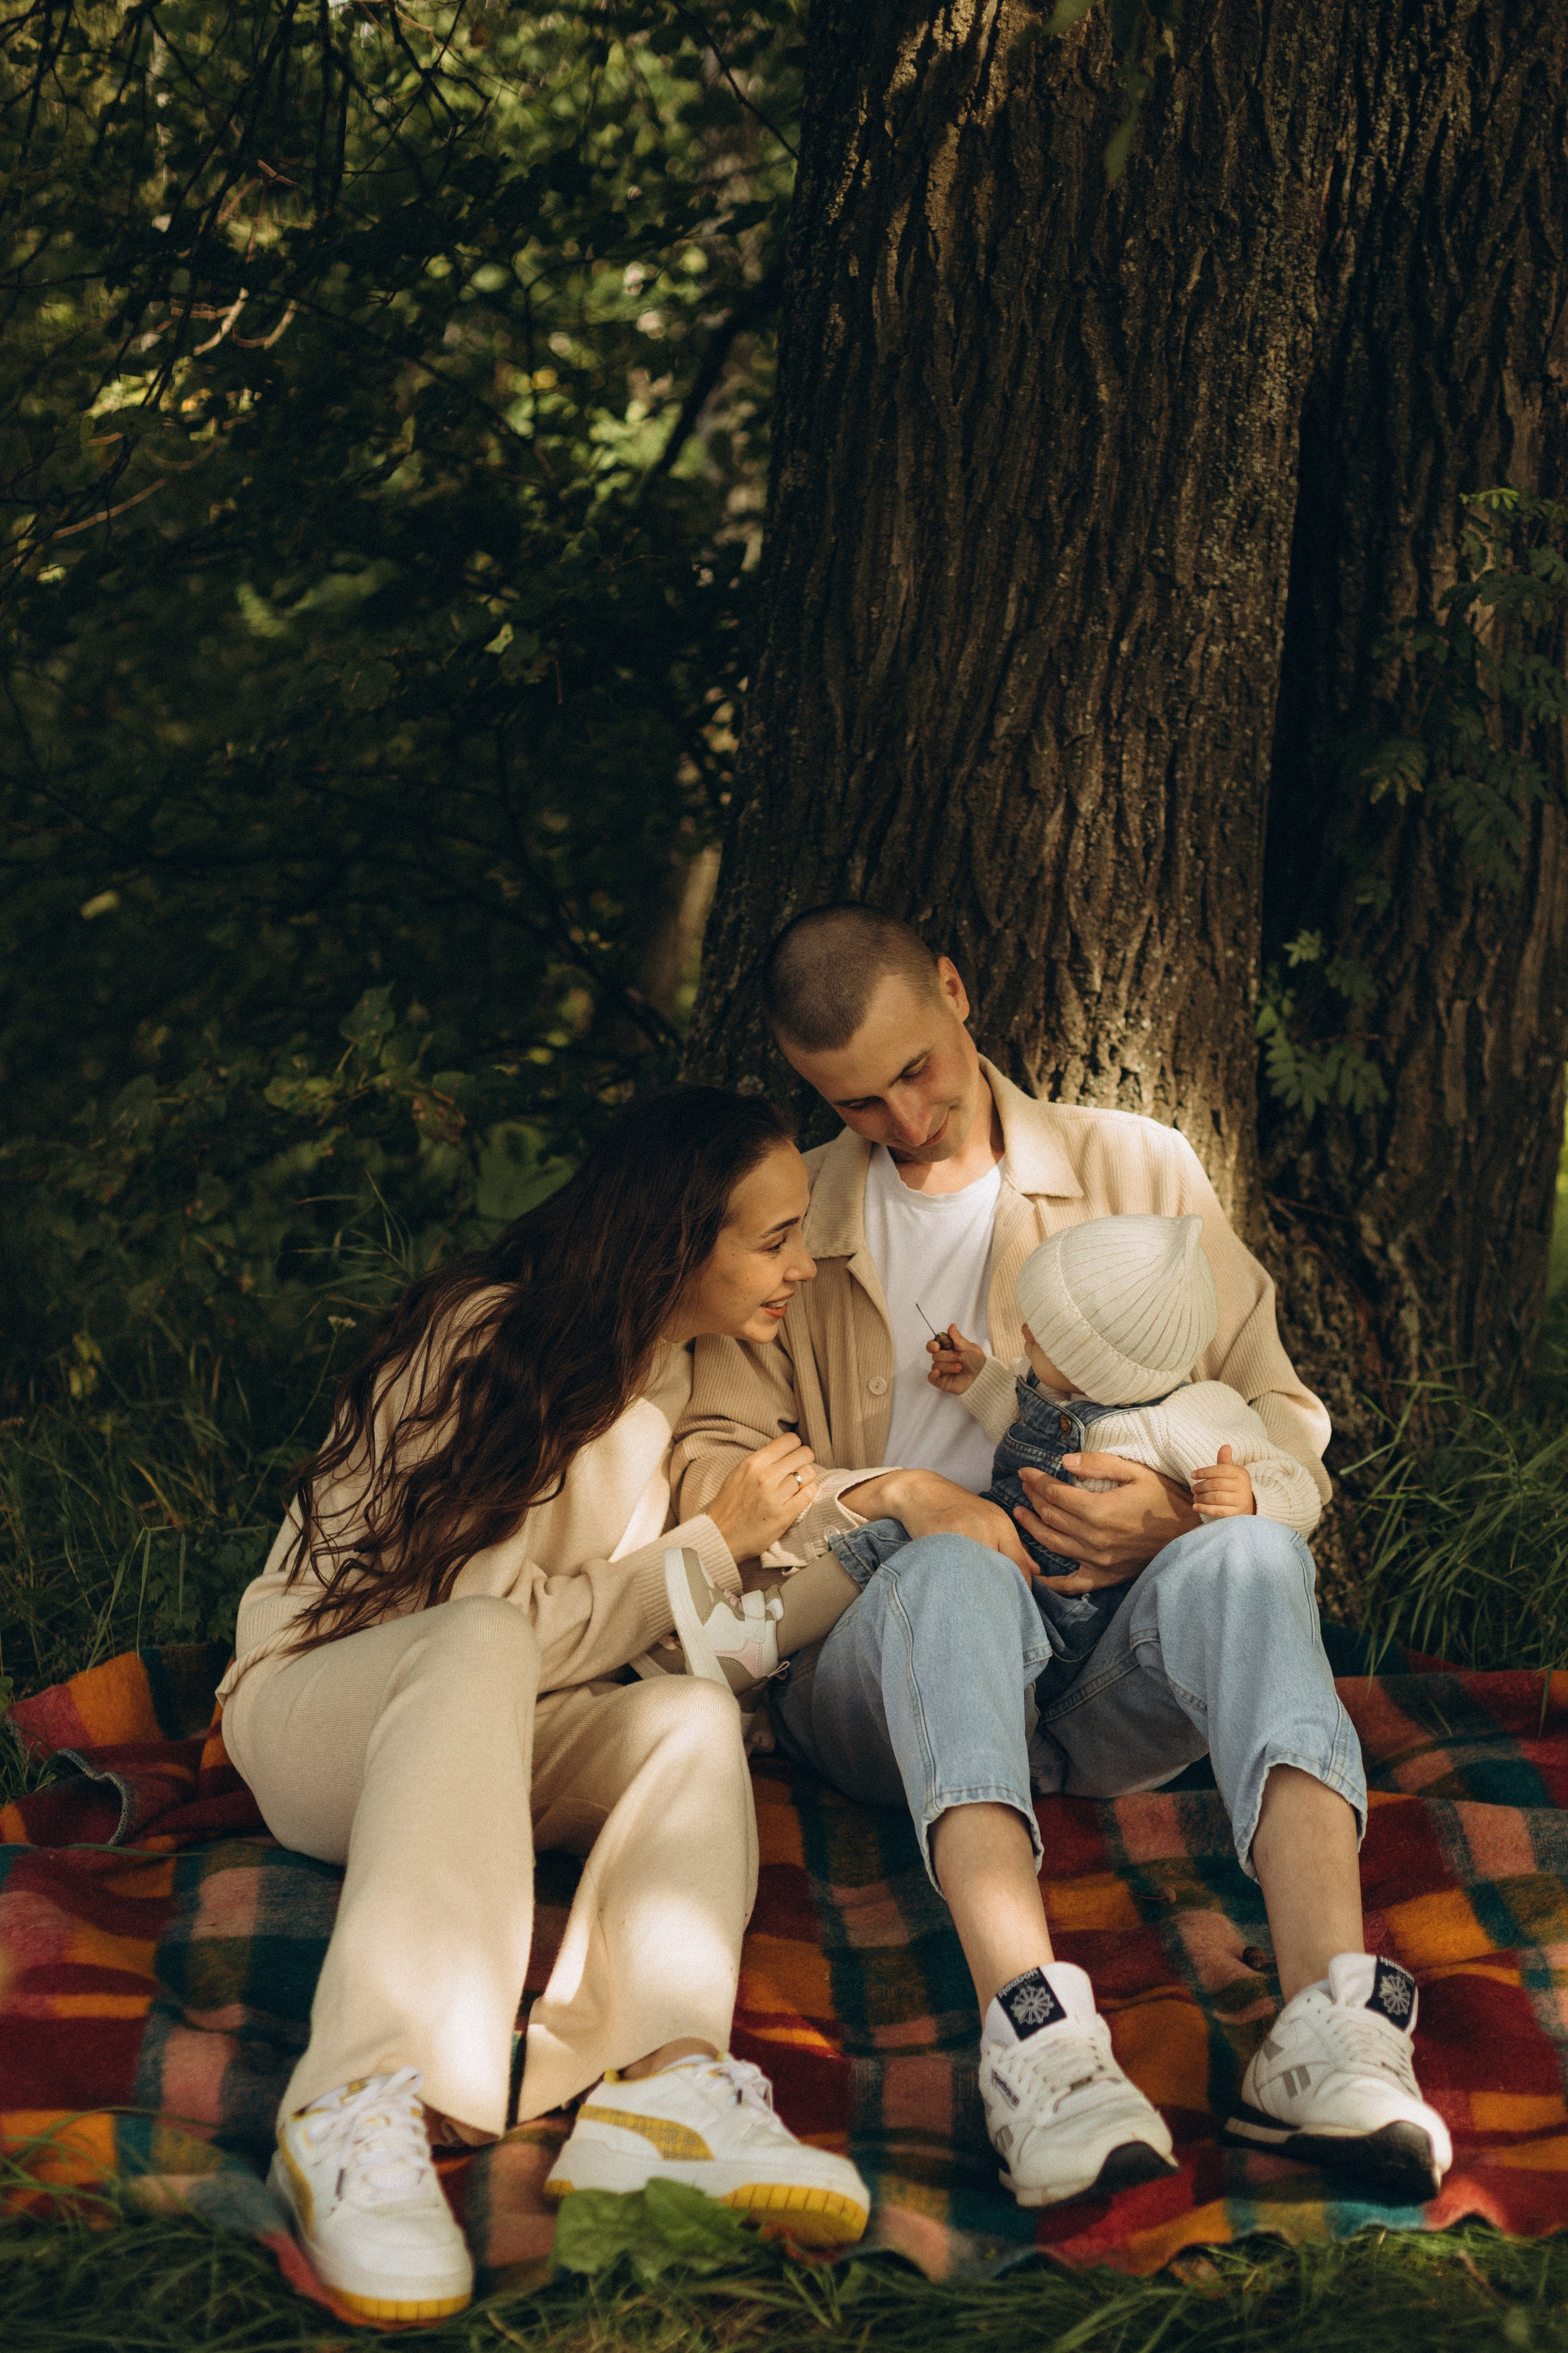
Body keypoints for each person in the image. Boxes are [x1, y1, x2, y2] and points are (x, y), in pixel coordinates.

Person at [672, 907, 1452, 2210]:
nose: (903, 1118)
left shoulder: (1136, 1166)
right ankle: (1039, 2048)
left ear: (956, 989)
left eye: (915, 1070)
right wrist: (900, 1496)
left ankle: (1332, 2026)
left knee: (1251, 1562)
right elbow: (707, 1463)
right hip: (877, 1673)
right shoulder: (786, 1211)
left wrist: (1178, 1514)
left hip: (1107, 1673)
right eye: (855, 1103)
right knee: (954, 1572)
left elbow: (1281, 1419)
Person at [217, 1086, 870, 2322]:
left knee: (687, 1724)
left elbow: (630, 1629)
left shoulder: (684, 1367)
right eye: (775, 1237)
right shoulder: (493, 1335)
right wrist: (702, 1550)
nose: (802, 1262)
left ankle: (665, 2082)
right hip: (330, 1706)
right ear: (680, 1238)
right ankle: (354, 2097)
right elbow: (485, 1628)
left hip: (494, 1729)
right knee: (478, 1638)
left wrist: (877, 1538)